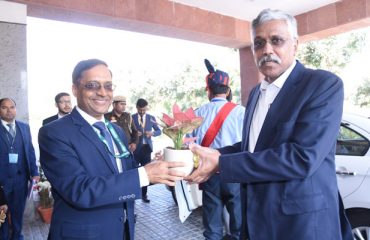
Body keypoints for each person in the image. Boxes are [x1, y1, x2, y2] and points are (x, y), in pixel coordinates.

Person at [185, 9, 353, 240]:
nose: (267, 50)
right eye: (259, 43)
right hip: (256, 222)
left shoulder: (322, 85)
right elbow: (254, 146)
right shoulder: (256, 93)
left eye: (276, 41)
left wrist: (221, 162)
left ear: (294, 44)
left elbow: (301, 157)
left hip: (301, 226)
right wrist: (211, 154)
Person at [38, 59, 185, 240]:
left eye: (108, 86)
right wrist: (145, 174)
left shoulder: (115, 131)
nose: (102, 92)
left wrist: (158, 169)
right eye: (92, 85)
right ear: (75, 89)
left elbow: (128, 174)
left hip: (123, 230)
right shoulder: (54, 132)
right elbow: (79, 190)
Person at [188, 59, 244, 240]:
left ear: (209, 91)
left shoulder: (197, 114)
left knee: (212, 228)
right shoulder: (241, 112)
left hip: (209, 174)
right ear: (228, 91)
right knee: (239, 227)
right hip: (235, 172)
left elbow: (190, 144)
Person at [0, 98, 40, 240]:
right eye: (4, 107)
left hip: (20, 179)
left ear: (16, 109)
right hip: (2, 182)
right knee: (2, 214)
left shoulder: (24, 127)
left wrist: (35, 172)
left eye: (12, 107)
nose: (9, 110)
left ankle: (17, 236)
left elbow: (30, 150)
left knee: (18, 211)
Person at [132, 98, 161, 203]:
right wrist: (134, 135)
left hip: (147, 149)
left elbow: (159, 131)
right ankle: (134, 195)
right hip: (135, 150)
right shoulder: (131, 118)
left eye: (144, 110)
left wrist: (152, 133)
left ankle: (144, 195)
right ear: (137, 108)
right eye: (140, 110)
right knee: (134, 172)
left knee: (146, 173)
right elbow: (127, 133)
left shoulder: (151, 118)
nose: (142, 112)